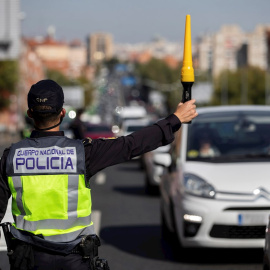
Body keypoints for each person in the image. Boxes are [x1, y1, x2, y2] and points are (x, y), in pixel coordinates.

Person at [0, 79, 198, 270]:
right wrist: (175, 119)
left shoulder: (11, 157)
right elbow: (131, 144)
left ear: (29, 113)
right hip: (74, 259)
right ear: (61, 113)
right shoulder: (82, 153)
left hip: (28, 260)